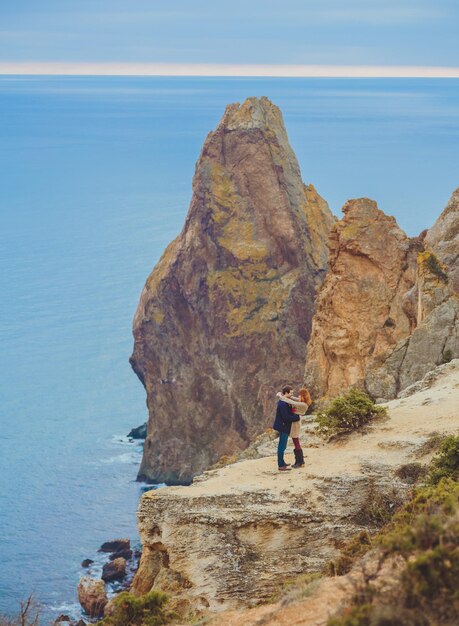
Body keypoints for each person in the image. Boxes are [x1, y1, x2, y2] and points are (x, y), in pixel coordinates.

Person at [276, 387, 312, 468]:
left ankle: (300, 461)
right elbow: (291, 398)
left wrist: (280, 396)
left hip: (295, 423)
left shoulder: (302, 404)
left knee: (296, 441)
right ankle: (299, 461)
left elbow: (290, 401)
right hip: (294, 422)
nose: (297, 397)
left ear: (303, 396)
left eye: (299, 396)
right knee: (295, 441)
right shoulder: (302, 401)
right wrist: (285, 395)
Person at [273, 385, 300, 471]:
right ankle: (281, 465)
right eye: (291, 393)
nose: (292, 394)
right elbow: (286, 417)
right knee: (282, 446)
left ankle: (282, 462)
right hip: (283, 426)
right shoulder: (283, 403)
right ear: (286, 393)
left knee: (283, 446)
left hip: (284, 426)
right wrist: (296, 417)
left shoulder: (285, 401)